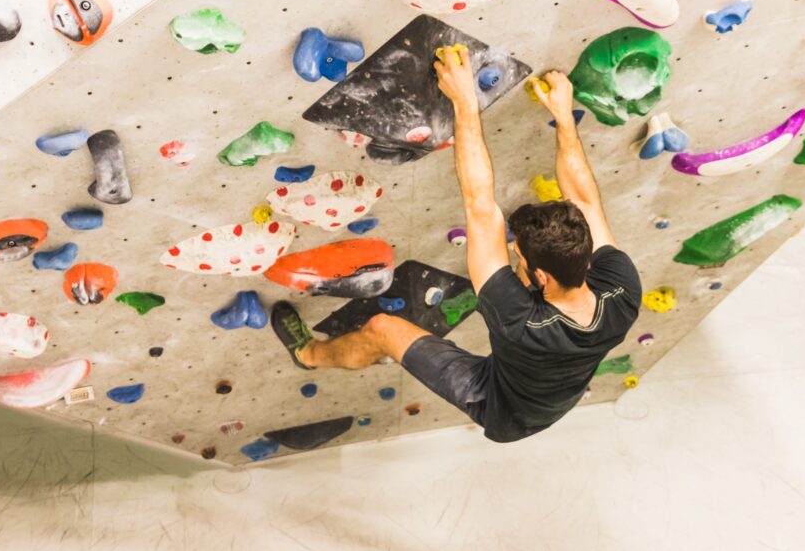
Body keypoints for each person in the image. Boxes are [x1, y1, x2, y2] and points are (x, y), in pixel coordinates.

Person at [270, 47, 642, 442]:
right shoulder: (621, 287)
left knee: (382, 328)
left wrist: (464, 100)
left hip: (503, 407)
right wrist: (565, 117)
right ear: (587, 259)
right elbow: (585, 200)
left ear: (541, 277)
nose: (513, 251)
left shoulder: (519, 320)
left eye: (519, 254)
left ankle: (309, 356)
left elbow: (480, 206)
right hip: (553, 388)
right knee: (521, 293)